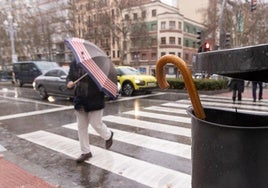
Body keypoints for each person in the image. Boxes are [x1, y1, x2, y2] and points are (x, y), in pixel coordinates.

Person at [66, 60, 113, 163]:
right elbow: (70, 77)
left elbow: (104, 81)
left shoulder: (98, 64)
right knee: (81, 127)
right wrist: (69, 82)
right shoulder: (75, 63)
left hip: (95, 100)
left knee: (96, 124)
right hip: (80, 100)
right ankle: (86, 152)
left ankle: (108, 135)